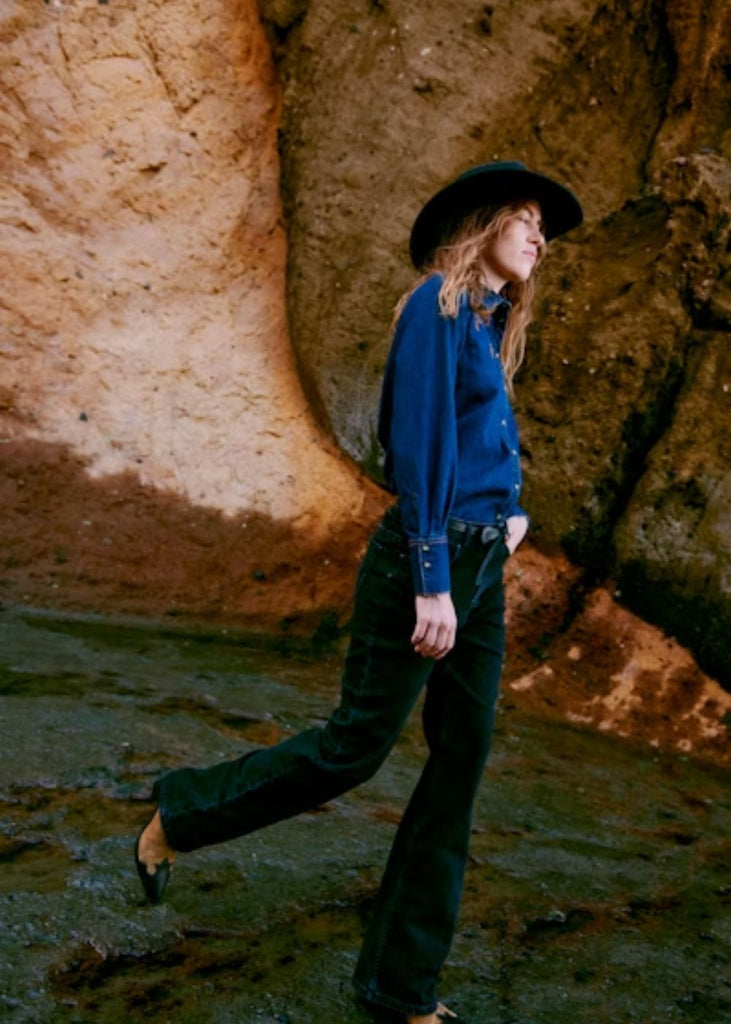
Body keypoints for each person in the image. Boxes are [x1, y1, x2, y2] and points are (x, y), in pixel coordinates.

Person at [134, 161, 583, 1024]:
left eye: (542, 225)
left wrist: (510, 516)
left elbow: (473, 447)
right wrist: (432, 581)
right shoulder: (434, 308)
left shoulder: (488, 324)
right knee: (353, 749)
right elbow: (416, 448)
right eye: (523, 217)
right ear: (481, 223)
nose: (538, 235)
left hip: (481, 564)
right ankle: (180, 816)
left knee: (460, 763)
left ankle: (401, 988)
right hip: (426, 566)